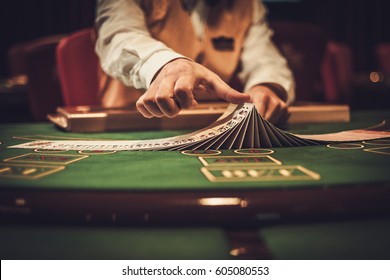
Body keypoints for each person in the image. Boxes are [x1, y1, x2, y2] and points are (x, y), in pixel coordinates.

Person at [95, 0, 295, 124]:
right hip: (130, 124)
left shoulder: (248, 4)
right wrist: (167, 65)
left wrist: (267, 87)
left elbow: (265, 59)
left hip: (210, 127)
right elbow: (118, 36)